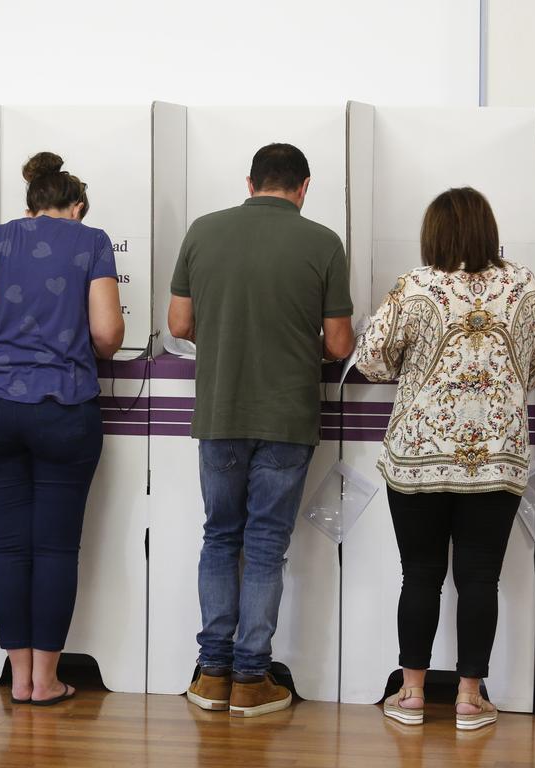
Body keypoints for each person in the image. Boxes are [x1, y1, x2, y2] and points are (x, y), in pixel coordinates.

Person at [355, 187, 535, 730]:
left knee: (418, 573)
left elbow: (371, 360)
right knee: (481, 576)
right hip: (497, 456)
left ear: (434, 233)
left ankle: (413, 695)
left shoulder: (415, 286)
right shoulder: (524, 287)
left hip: (419, 453)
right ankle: (470, 699)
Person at [169, 143, 355, 718]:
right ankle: (253, 679)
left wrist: (226, 343)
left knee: (220, 537)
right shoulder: (323, 242)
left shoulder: (202, 231)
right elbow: (341, 344)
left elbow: (178, 323)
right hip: (287, 416)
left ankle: (210, 676)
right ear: (304, 188)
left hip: (220, 413)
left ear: (250, 182)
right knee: (267, 546)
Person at [0, 152, 124, 706]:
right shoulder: (91, 240)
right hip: (64, 409)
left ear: (30, 204)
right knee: (54, 550)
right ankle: (45, 682)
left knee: (9, 546)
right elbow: (107, 335)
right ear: (76, 206)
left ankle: (18, 676)